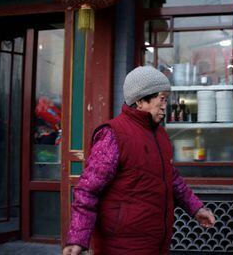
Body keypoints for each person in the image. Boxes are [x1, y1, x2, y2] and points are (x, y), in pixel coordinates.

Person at [63, 66, 215, 255]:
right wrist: (77, 238)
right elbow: (88, 189)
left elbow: (172, 178)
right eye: (161, 98)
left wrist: (196, 209)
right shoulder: (113, 135)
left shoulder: (159, 133)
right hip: (122, 245)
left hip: (155, 242)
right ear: (140, 100)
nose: (164, 105)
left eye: (166, 99)